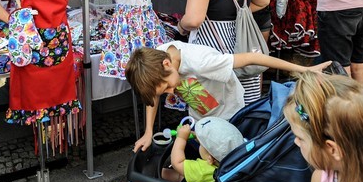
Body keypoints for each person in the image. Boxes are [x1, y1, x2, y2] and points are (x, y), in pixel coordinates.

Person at [127, 42, 329, 152]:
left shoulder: (201, 62)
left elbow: (252, 58)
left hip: (228, 111)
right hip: (201, 110)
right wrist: (148, 131)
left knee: (228, 153)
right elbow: (153, 96)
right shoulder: (157, 57)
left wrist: (305, 70)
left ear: (167, 64)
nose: (171, 94)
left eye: (169, 87)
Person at [103, 116, 243, 182]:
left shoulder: (202, 168)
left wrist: (181, 139)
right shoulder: (225, 164)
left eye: (201, 144)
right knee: (179, 175)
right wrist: (195, 136)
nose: (199, 144)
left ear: (210, 159)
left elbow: (178, 163)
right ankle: (153, 177)